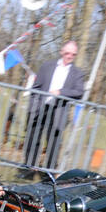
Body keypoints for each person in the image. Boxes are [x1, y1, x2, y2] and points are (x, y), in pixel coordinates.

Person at [22, 41, 86, 169]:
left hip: (59, 110)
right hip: (40, 107)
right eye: (67, 53)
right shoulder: (47, 66)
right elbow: (36, 87)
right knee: (33, 138)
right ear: (61, 52)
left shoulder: (77, 73)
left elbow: (79, 92)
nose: (69, 56)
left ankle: (49, 172)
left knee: (54, 142)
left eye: (73, 54)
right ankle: (28, 167)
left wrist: (60, 92)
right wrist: (33, 106)